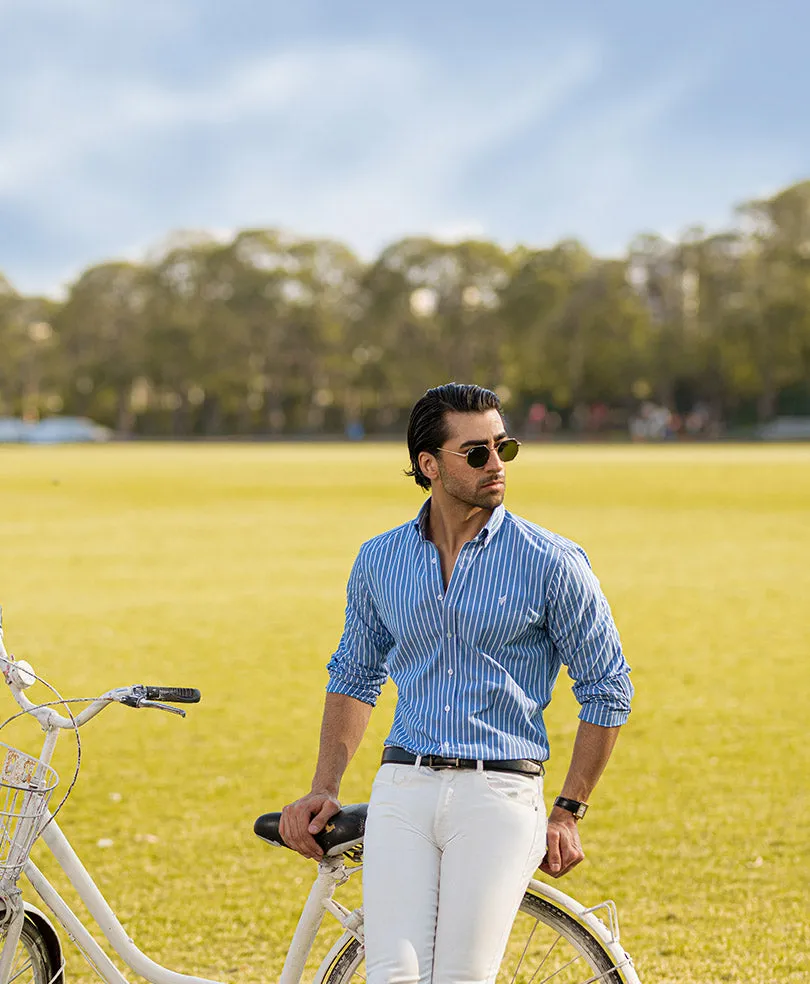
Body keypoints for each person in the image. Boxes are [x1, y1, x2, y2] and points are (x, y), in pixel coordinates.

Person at [280, 383, 633, 984]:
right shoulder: (378, 559)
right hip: (402, 789)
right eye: (476, 453)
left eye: (503, 448)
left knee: (462, 978)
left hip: (498, 794)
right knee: (391, 974)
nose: (496, 465)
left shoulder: (552, 561)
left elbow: (607, 687)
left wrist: (569, 809)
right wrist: (324, 785)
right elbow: (354, 676)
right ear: (429, 464)